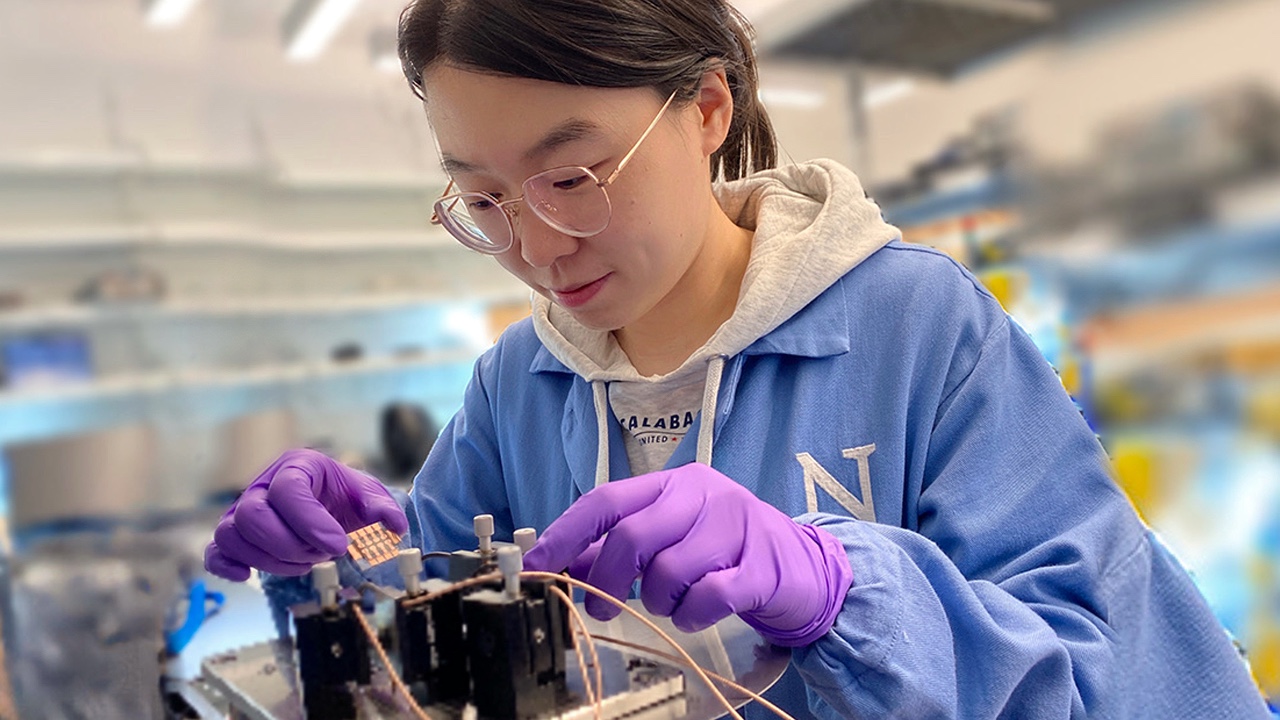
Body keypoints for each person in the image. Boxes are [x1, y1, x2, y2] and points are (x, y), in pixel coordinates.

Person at [203, 0, 1272, 717]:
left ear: (705, 110)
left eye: (570, 178)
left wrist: (844, 594)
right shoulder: (513, 389)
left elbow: (1104, 669)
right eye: (481, 200)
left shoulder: (913, 326)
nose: (534, 245)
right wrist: (363, 564)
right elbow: (441, 647)